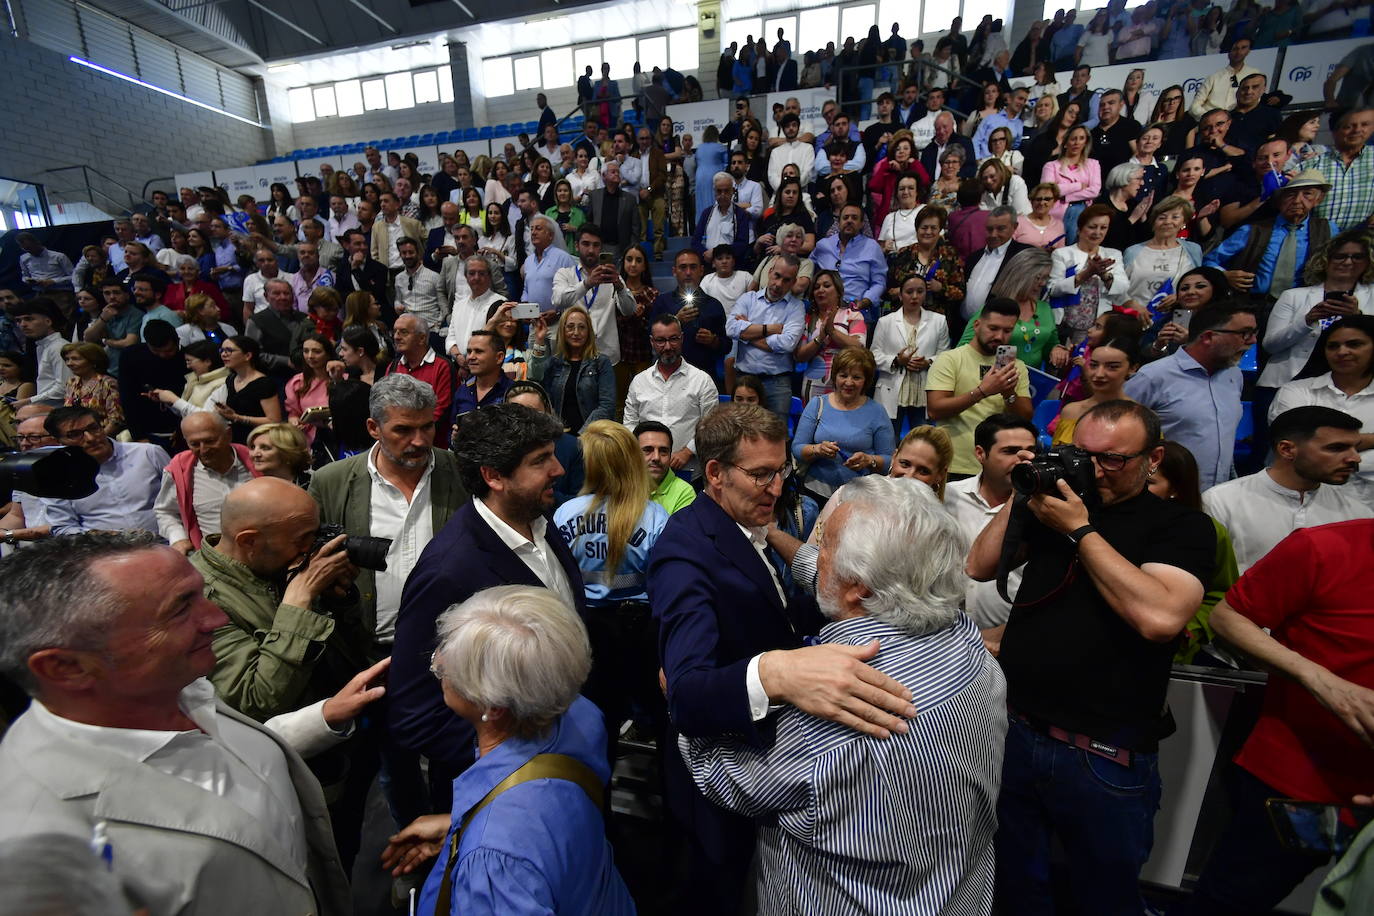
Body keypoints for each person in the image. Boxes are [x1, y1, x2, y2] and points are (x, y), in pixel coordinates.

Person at [680, 474, 1004, 914]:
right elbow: (822, 571)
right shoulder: (968, 643)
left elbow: (720, 774)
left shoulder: (836, 713)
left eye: (826, 544)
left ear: (861, 586)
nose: (818, 554)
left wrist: (743, 680)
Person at [647, 403, 918, 912]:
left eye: (781, 471)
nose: (776, 488)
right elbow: (685, 693)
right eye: (760, 475)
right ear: (714, 474)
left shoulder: (746, 527)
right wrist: (775, 674)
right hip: (717, 782)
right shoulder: (683, 553)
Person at [0, 532, 353, 916]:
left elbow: (214, 763)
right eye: (180, 608)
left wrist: (320, 719)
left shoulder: (178, 689)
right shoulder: (34, 851)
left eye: (200, 594)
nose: (216, 619)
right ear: (65, 667)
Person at [967, 399, 1216, 912]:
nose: (1094, 470)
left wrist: (1081, 531)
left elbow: (1160, 619)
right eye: (1082, 455)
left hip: (1103, 754)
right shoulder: (1053, 505)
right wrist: (1026, 491)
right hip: (1015, 733)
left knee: (1103, 897)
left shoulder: (1180, 527)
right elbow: (978, 565)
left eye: (1112, 459)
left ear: (1154, 458)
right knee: (1015, 886)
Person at [381, 585, 633, 914]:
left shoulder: (494, 865)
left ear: (494, 706)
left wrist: (487, 840)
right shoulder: (582, 716)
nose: (439, 661)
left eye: (448, 665)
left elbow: (517, 843)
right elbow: (548, 813)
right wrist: (461, 824)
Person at [1174, 510, 1374, 915]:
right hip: (1300, 782)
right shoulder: (1322, 547)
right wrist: (1321, 680)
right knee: (1230, 900)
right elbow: (1227, 619)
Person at [389, 402, 590, 775]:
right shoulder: (448, 572)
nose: (558, 470)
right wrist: (516, 757)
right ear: (494, 476)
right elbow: (414, 713)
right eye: (540, 460)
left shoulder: (538, 517)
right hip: (508, 786)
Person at [1202, 406, 1371, 572]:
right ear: (1287, 449)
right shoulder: (1221, 502)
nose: (1355, 458)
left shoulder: (1357, 511)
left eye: (1355, 448)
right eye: (1337, 448)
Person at [1126, 303, 1254, 490]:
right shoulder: (1154, 376)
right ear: (1209, 337)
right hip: (1167, 497)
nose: (1253, 341)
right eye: (1245, 333)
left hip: (1217, 497)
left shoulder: (1233, 375)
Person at [945, 414, 1038, 642]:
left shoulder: (1044, 510)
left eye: (1030, 450)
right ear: (980, 454)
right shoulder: (947, 497)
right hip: (946, 637)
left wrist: (1004, 634)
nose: (1023, 459)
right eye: (1010, 451)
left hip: (1013, 637)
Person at [926, 297, 1033, 478]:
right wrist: (982, 391)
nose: (999, 336)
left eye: (1007, 331)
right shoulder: (950, 359)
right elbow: (935, 410)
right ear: (976, 325)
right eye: (993, 328)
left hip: (998, 467)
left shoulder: (1017, 366)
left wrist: (1008, 393)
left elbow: (1025, 417)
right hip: (954, 463)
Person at [1273, 316, 1374, 506]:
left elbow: (1313, 443)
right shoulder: (1296, 390)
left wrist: (1325, 445)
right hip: (1295, 500)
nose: (1342, 352)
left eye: (1354, 344)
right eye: (1333, 346)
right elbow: (1296, 444)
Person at [1261, 231, 1374, 390]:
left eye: (1357, 257)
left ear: (1368, 261)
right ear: (1325, 260)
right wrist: (1306, 320)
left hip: (1354, 386)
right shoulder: (1293, 296)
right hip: (1285, 382)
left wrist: (1357, 318)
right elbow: (1270, 346)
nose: (1348, 262)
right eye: (1340, 256)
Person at [1204, 171, 1337, 303]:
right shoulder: (1252, 230)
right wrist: (1224, 275)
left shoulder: (1328, 230)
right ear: (1279, 200)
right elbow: (1209, 260)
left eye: (1307, 194)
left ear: (1318, 199)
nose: (1297, 201)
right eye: (1290, 195)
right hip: (1253, 304)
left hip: (1303, 305)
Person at [42, 406, 169, 535]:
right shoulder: (57, 477)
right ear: (58, 442)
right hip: (103, 550)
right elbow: (62, 527)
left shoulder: (148, 453)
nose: (90, 438)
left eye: (93, 428)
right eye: (75, 435)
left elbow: (181, 498)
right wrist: (102, 537)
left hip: (168, 543)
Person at [622, 313, 719, 481]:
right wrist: (642, 453)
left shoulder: (702, 380)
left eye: (673, 339)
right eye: (661, 340)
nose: (667, 346)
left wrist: (688, 451)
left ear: (682, 338)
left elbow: (711, 426)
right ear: (652, 342)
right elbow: (630, 423)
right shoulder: (639, 381)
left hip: (689, 470)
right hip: (646, 471)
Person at [793, 347, 894, 496]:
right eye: (843, 375)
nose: (848, 382)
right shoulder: (817, 404)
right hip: (815, 492)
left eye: (856, 377)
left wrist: (869, 460)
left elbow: (889, 461)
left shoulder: (877, 411)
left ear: (866, 380)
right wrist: (817, 450)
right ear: (835, 376)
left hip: (861, 495)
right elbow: (797, 448)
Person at [155, 412, 260, 554]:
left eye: (210, 441)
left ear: (228, 434)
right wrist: (178, 538)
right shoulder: (179, 471)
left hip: (264, 553)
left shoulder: (257, 463)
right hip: (214, 560)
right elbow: (166, 511)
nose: (204, 450)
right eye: (195, 444)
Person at [961, 247, 1065, 372]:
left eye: (1046, 278)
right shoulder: (997, 308)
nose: (1043, 283)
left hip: (1032, 385)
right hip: (996, 380)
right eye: (1038, 278)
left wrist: (1057, 349)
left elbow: (1050, 344)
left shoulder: (1044, 308)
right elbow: (964, 348)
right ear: (1020, 275)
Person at [726, 256, 805, 421]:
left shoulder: (796, 307)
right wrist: (769, 329)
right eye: (777, 276)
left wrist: (747, 334)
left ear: (793, 282)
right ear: (769, 272)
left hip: (777, 383)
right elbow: (731, 328)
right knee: (742, 434)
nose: (779, 284)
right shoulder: (748, 298)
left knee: (776, 437)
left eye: (786, 280)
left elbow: (787, 344)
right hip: (744, 379)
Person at [872, 274, 950, 434]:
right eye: (909, 292)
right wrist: (896, 360)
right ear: (900, 295)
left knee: (923, 440)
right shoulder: (886, 322)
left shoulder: (939, 321)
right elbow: (873, 355)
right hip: (892, 387)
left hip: (924, 388)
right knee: (888, 441)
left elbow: (945, 354)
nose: (915, 296)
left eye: (920, 291)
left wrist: (928, 362)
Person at [1049, 204, 1131, 349]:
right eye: (1092, 227)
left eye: (1103, 228)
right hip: (1064, 326)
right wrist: (1086, 273)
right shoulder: (1062, 254)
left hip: (1096, 328)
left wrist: (1104, 275)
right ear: (1080, 228)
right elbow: (1052, 289)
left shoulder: (1113, 254)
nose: (1098, 232)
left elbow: (1123, 287)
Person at [384, 314, 454, 448]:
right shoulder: (393, 366)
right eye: (395, 332)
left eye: (403, 332)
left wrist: (410, 431)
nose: (396, 337)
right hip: (398, 443)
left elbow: (441, 410)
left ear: (422, 338)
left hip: (432, 445)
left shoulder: (442, 366)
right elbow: (386, 404)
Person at [1053, 335, 1138, 446]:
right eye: (1093, 365)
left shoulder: (1139, 418)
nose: (1099, 374)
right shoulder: (1071, 411)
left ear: (1132, 369)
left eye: (1112, 367)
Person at [811, 204, 887, 323]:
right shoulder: (823, 245)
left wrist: (866, 301)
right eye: (846, 218)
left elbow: (879, 282)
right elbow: (809, 267)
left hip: (857, 309)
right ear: (839, 222)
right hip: (824, 308)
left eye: (854, 218)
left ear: (862, 223)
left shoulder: (872, 247)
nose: (849, 221)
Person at [962, 206, 1029, 333]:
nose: (993, 234)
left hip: (996, 331)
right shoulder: (974, 257)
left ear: (1014, 227)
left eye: (1000, 229)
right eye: (989, 229)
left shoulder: (1022, 255)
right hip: (964, 327)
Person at [213, 335, 284, 443]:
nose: (223, 354)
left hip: (259, 439)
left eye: (229, 351)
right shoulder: (231, 379)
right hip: (236, 438)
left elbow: (274, 420)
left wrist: (238, 417)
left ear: (247, 355)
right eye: (222, 350)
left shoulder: (264, 383)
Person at [10, 298, 70, 408]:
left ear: (48, 321)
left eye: (29, 319)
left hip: (59, 411)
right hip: (46, 408)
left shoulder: (59, 347)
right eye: (18, 321)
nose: (23, 324)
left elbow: (64, 387)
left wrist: (29, 400)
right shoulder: (41, 347)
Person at [1189, 37, 1262, 118]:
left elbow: (1257, 101)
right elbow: (1194, 107)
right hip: (1209, 122)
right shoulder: (1214, 77)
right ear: (1228, 53)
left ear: (1248, 51)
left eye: (1243, 48)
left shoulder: (1254, 75)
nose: (1239, 52)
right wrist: (1210, 118)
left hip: (1239, 121)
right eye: (1235, 49)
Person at [636, 419, 696, 514]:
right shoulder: (620, 486)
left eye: (663, 451)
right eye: (648, 450)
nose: (656, 457)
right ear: (633, 454)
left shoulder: (684, 492)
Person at [247, 422, 312, 483]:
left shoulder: (312, 485)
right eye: (253, 447)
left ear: (288, 452)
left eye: (265, 448)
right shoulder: (253, 489)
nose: (255, 454)